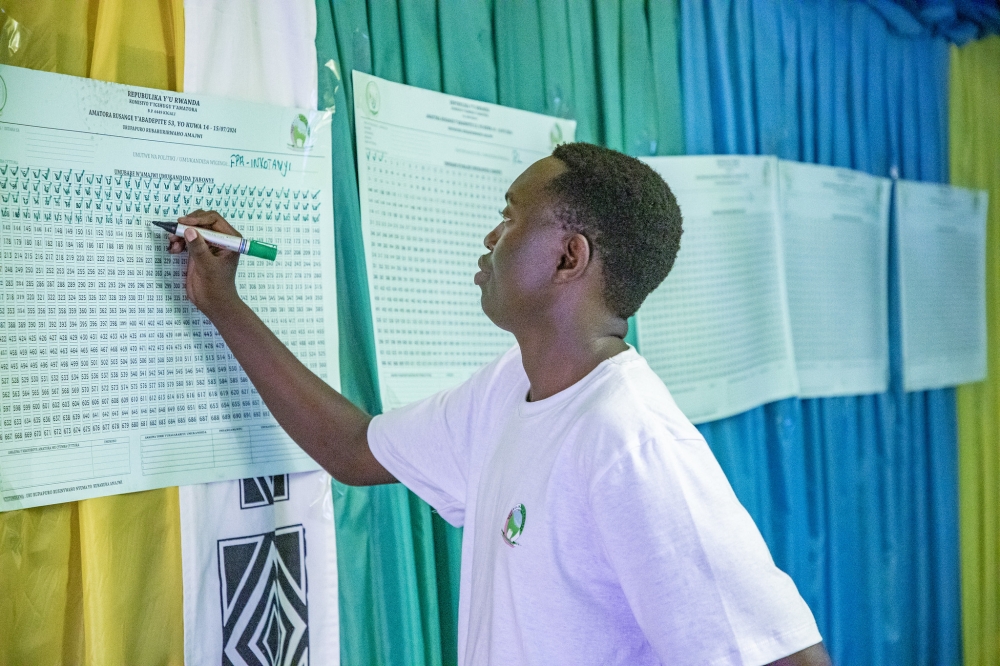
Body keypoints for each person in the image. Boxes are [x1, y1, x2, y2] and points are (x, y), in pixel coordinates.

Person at [169, 142, 832, 666]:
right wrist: (222, 303)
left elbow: (784, 659)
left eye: (511, 216)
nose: (491, 236)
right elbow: (351, 449)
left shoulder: (631, 443)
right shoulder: (505, 391)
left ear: (569, 257)